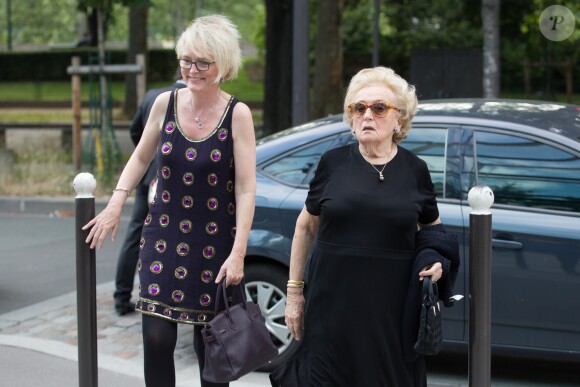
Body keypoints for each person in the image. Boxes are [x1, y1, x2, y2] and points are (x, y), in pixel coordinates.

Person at [83, 14, 256, 387]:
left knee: (210, 345)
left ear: (223, 66)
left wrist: (239, 250)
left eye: (203, 63)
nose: (192, 69)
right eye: (186, 60)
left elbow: (245, 188)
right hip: (163, 235)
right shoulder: (165, 103)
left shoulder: (237, 115)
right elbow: (141, 157)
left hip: (215, 243)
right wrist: (116, 202)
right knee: (157, 340)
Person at [270, 66, 459, 386]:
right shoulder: (332, 163)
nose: (367, 115)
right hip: (331, 307)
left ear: (399, 118)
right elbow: (305, 227)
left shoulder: (416, 170)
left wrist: (436, 261)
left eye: (379, 107)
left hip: (389, 311)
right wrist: (294, 293)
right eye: (359, 108)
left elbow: (432, 231)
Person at [113, 72, 186, 316]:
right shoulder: (178, 101)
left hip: (146, 177)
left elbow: (136, 131)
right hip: (171, 181)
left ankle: (121, 295)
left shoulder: (151, 96)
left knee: (135, 233)